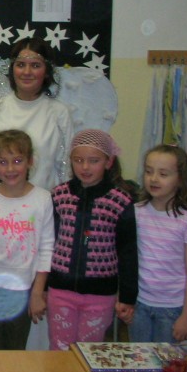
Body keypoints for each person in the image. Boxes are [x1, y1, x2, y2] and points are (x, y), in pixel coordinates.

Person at [47, 130, 138, 350]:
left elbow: (128, 251)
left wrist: (127, 296)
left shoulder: (120, 201)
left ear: (108, 162)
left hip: (100, 295)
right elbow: (47, 243)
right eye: (78, 160)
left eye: (93, 161)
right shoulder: (59, 196)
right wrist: (40, 287)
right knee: (60, 349)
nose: (85, 167)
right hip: (61, 291)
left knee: (90, 352)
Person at [0, 130, 55, 351]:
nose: (10, 169)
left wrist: (37, 292)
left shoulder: (43, 199)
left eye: (17, 161)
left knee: (14, 352)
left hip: (23, 287)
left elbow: (46, 248)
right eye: (3, 162)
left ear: (30, 161)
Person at [0, 37, 74, 196]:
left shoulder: (58, 113)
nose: (27, 72)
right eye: (21, 65)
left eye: (35, 65)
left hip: (43, 205)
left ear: (46, 71)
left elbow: (66, 168)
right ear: (12, 69)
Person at [129, 145, 187, 343]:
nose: (154, 179)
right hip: (139, 304)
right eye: (149, 171)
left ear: (180, 179)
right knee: (138, 357)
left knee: (166, 359)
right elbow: (126, 260)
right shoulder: (136, 212)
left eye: (163, 174)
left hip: (172, 308)